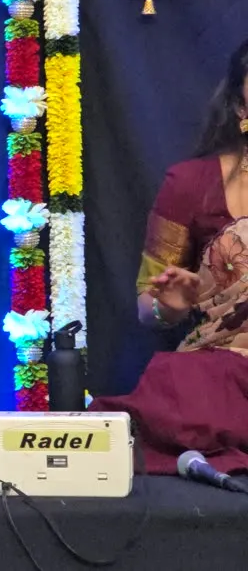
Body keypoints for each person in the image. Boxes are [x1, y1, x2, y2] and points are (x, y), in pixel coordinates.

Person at [90, 38, 248, 475]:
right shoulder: (190, 184)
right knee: (178, 382)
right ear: (240, 106)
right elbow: (148, 304)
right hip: (227, 370)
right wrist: (168, 307)